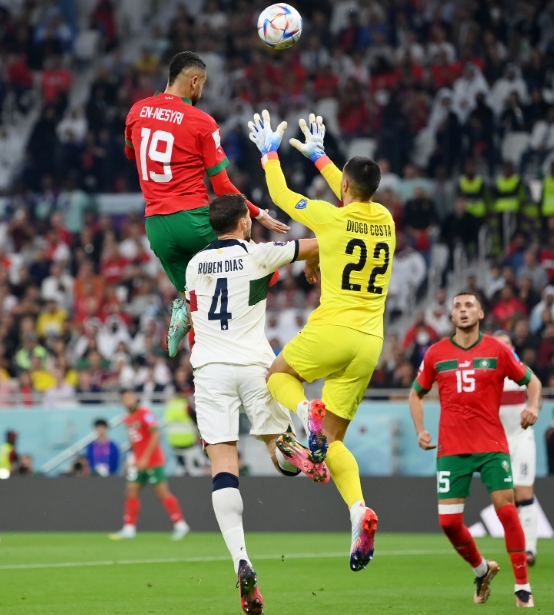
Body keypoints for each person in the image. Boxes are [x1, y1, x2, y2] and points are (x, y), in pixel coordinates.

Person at [249, 111, 395, 572]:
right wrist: (321, 158)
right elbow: (354, 194)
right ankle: (358, 512)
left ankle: (301, 412)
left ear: (345, 190)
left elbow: (280, 196)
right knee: (331, 443)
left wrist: (270, 153)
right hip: (370, 343)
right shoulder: (386, 219)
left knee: (279, 375)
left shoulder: (331, 219)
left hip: (333, 328)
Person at [186, 193, 326, 615]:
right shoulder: (259, 253)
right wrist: (310, 259)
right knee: (275, 444)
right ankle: (293, 446)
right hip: (254, 365)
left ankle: (241, 560)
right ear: (245, 222)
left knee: (223, 463)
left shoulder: (194, 265)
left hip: (210, 369)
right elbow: (315, 242)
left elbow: (188, 307)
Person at [124, 51, 288, 357]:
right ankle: (243, 337)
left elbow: (131, 154)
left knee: (198, 300)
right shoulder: (202, 121)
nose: (202, 91)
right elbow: (223, 187)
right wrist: (259, 214)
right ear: (194, 81)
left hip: (157, 228)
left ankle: (187, 319)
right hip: (194, 221)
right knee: (264, 269)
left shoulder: (137, 111)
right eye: (203, 85)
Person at [409, 293, 542, 608]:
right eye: (457, 306)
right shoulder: (436, 353)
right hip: (452, 448)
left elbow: (532, 381)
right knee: (449, 524)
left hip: (491, 444)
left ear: (481, 313)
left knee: (507, 510)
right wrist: (421, 429)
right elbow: (416, 394)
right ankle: (482, 570)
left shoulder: (498, 350)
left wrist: (533, 406)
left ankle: (523, 587)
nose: (463, 310)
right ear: (452, 316)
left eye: (469, 305)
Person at [109, 390, 190, 541]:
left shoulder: (145, 413)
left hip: (152, 461)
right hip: (138, 463)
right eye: (124, 399)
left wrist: (145, 457)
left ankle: (181, 525)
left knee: (162, 493)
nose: (127, 401)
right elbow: (134, 441)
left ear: (135, 398)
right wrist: (131, 459)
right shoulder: (128, 419)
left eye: (129, 397)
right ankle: (129, 529)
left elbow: (156, 434)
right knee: (131, 491)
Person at [493, 331, 539, 566]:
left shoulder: (519, 370)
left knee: (523, 493)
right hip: (497, 443)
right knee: (506, 497)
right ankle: (517, 544)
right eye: (498, 345)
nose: (503, 348)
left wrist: (533, 407)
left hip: (521, 438)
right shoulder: (485, 376)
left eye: (507, 344)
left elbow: (535, 387)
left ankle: (529, 549)